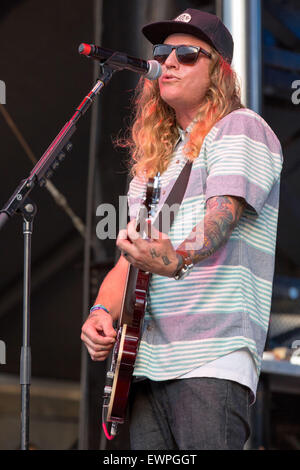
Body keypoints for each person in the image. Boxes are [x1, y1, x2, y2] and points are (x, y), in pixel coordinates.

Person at [81, 9, 283, 450]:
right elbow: (128, 263)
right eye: (162, 52)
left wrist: (177, 257)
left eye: (187, 54)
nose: (168, 62)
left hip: (209, 359)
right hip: (144, 361)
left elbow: (220, 218)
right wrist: (101, 312)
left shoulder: (240, 128)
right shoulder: (156, 162)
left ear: (220, 73)